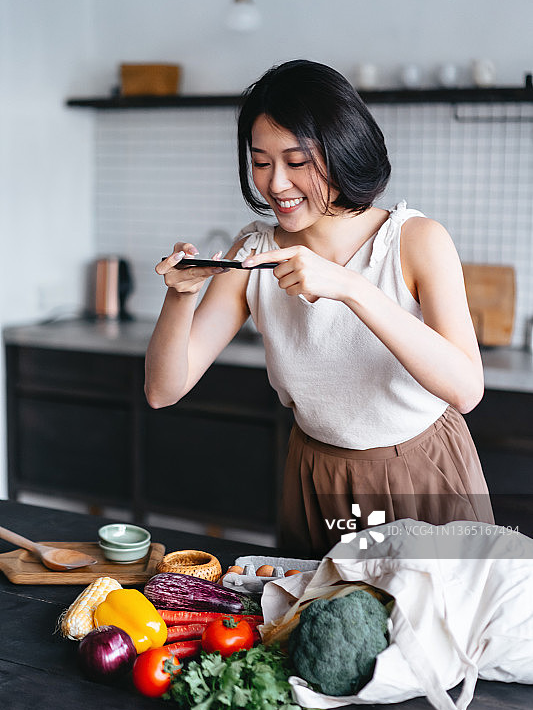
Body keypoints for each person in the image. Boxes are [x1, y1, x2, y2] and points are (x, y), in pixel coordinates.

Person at [145, 59, 494, 557]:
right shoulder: (254, 253)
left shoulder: (416, 240)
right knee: (314, 609)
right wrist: (180, 295)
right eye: (261, 163)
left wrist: (351, 288)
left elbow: (466, 389)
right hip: (316, 476)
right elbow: (162, 390)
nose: (276, 184)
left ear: (342, 151)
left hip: (421, 468)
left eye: (297, 162)